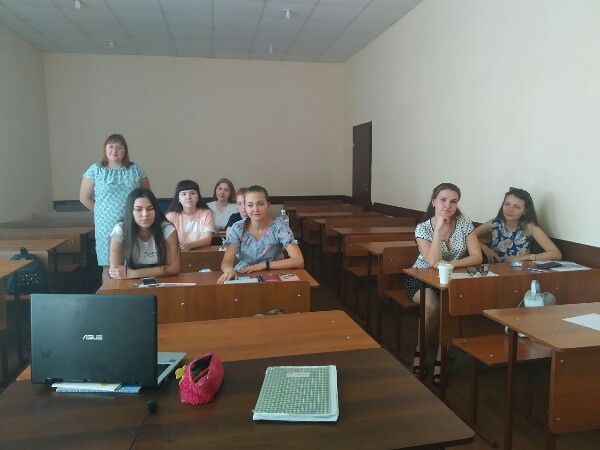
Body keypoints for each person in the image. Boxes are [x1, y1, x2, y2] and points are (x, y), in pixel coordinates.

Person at [406, 183, 482, 386]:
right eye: (443, 200)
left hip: (451, 278)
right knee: (432, 306)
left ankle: (442, 356)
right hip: (421, 278)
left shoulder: (464, 223)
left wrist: (451, 264)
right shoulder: (423, 228)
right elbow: (432, 261)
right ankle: (421, 350)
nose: (448, 205)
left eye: (453, 201)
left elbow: (477, 256)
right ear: (434, 202)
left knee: (452, 308)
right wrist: (438, 231)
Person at [79, 134, 150, 282]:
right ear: (105, 149)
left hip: (133, 223)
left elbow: (146, 196)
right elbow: (84, 198)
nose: (114, 150)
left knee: (133, 264)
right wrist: (102, 212)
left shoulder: (135, 169)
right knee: (109, 267)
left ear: (125, 150)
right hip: (106, 225)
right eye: (111, 146)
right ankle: (110, 294)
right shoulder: (95, 170)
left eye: (119, 147)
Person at [217, 185, 304, 283]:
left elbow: (298, 260)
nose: (255, 209)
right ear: (245, 207)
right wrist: (229, 269)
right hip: (244, 274)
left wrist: (263, 265)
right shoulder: (238, 228)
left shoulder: (279, 227)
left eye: (260, 204)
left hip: (273, 275)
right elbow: (227, 261)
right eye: (250, 205)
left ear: (268, 205)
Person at [108, 188, 180, 280]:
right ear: (130, 211)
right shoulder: (120, 229)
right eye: (138, 209)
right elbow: (115, 271)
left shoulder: (167, 228)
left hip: (162, 279)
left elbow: (174, 268)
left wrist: (134, 273)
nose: (145, 214)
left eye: (150, 209)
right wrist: (130, 274)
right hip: (129, 281)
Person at [475, 188, 562, 263]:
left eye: (516, 207)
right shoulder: (495, 223)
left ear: (525, 211)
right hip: (495, 271)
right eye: (507, 204)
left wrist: (523, 258)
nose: (509, 210)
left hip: (521, 272)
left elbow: (556, 254)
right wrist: (482, 246)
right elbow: (468, 236)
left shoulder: (529, 227)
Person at [166, 180, 215, 251]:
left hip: (201, 253)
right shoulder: (171, 216)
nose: (188, 197)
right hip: (178, 253)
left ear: (198, 197)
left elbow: (207, 240)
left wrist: (190, 245)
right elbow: (167, 240)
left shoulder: (206, 213)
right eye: (184, 194)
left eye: (192, 193)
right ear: (178, 198)